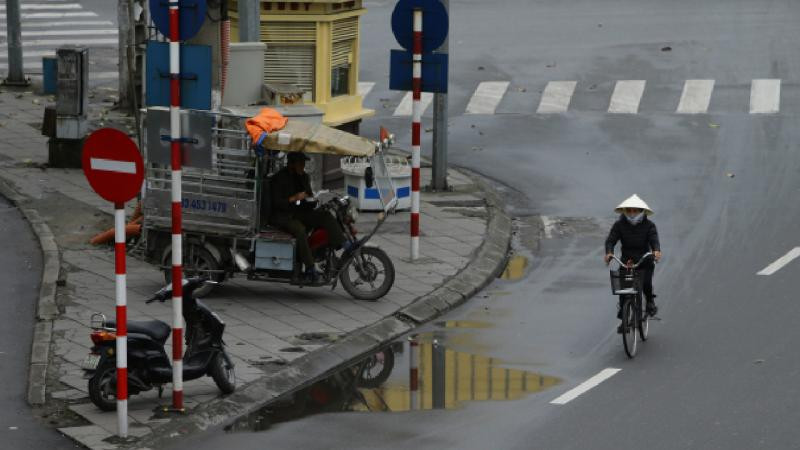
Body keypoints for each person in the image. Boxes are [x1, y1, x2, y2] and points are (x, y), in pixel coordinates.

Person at [269, 152, 347, 281]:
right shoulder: (279, 178)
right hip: (284, 216)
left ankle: (343, 243)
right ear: (292, 164)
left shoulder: (304, 177)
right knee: (300, 230)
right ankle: (310, 267)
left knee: (326, 215)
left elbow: (308, 197)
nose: (303, 166)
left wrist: (314, 200)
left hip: (300, 212)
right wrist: (293, 198)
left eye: (304, 163)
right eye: (300, 163)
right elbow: (277, 203)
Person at [604, 194, 662, 317]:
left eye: (635, 210)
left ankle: (650, 302)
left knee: (646, 283)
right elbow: (610, 240)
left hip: (644, 260)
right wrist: (609, 252)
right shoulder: (619, 225)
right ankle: (624, 313)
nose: (632, 213)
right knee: (624, 289)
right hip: (627, 261)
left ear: (641, 211)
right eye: (629, 210)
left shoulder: (649, 226)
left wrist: (656, 251)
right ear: (625, 211)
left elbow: (654, 240)